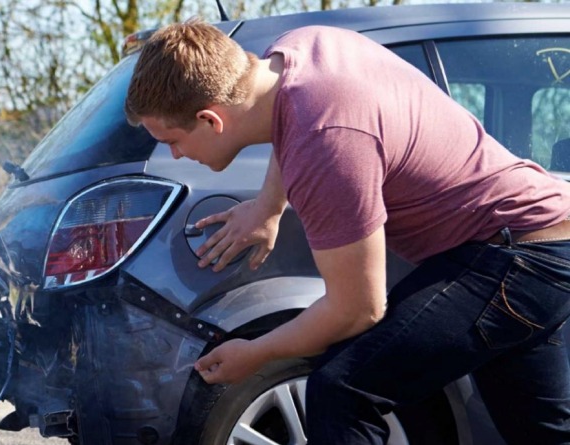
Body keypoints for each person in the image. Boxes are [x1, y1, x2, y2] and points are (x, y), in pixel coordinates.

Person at [125, 20, 570, 444]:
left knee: (343, 390)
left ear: (210, 119)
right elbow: (294, 121)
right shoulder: (301, 50)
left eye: (172, 141)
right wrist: (267, 205)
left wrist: (256, 352)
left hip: (518, 257)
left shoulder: (325, 140)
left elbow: (358, 310)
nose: (176, 155)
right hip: (539, 239)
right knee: (541, 434)